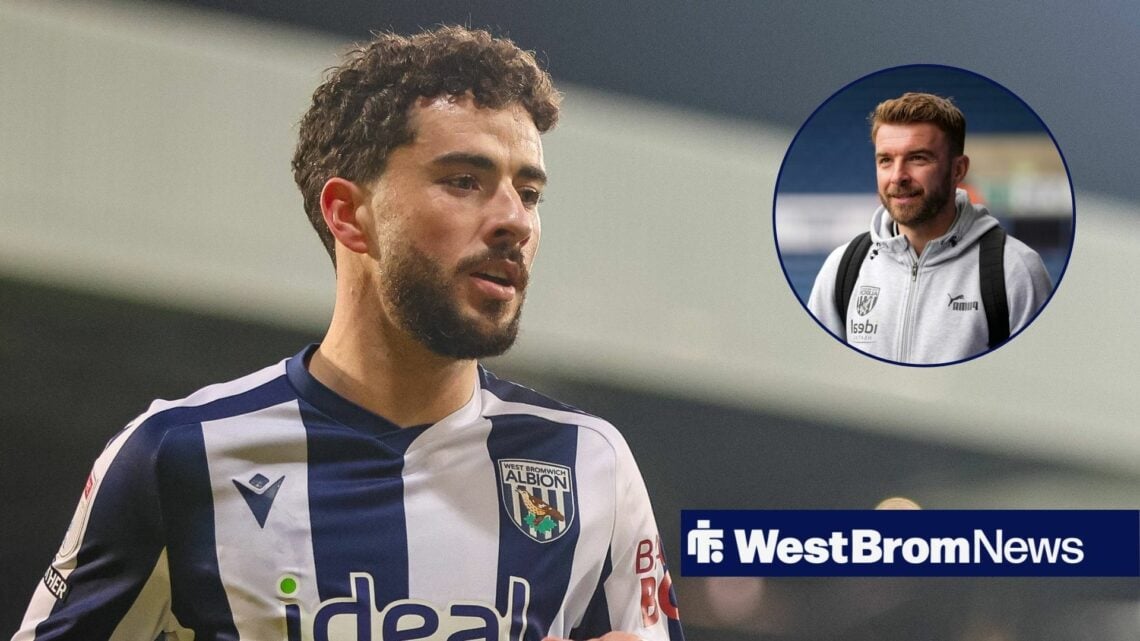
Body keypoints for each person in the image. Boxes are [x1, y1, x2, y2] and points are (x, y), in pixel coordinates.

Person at [12, 27, 682, 641]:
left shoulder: (588, 463)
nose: (514, 220)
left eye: (529, 192)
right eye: (464, 180)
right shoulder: (180, 457)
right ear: (349, 214)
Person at [806, 92, 1052, 364]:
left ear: (958, 170)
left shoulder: (1015, 270)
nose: (898, 176)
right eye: (885, 160)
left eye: (918, 158)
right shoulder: (842, 267)